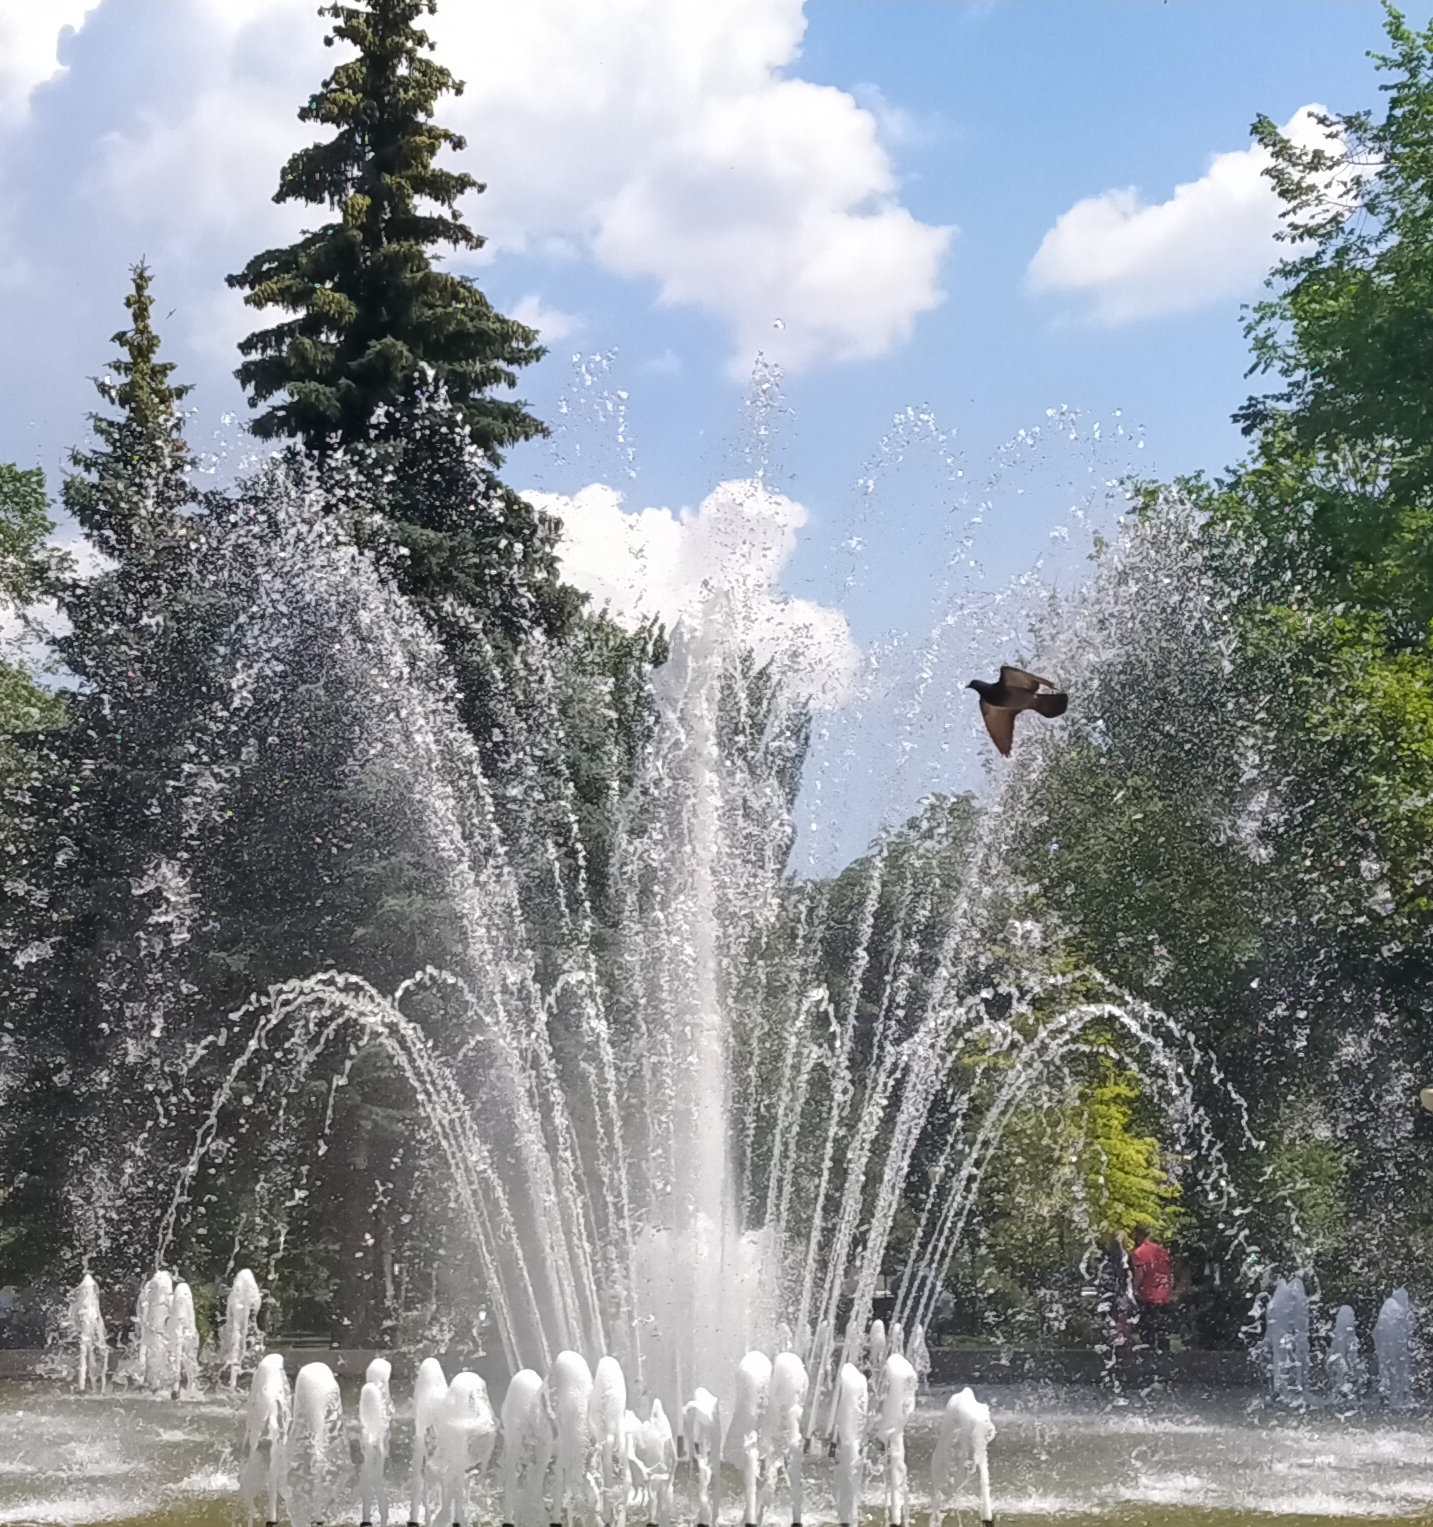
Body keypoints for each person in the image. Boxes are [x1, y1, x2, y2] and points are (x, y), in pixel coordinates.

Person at [1128, 1222, 1174, 1352]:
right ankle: (1164, 1347)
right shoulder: (1161, 1250)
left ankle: (1148, 1348)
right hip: (1163, 1292)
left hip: (1148, 1292)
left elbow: (1139, 1274)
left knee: (1147, 1322)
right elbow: (1169, 1271)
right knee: (1161, 1322)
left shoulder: (1139, 1252)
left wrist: (1133, 1289)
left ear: (1139, 1234)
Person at [1094, 1232, 1132, 1349]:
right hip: (1118, 1295)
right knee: (1119, 1321)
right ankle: (1121, 1346)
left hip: (1109, 1295)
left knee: (1110, 1321)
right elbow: (1125, 1279)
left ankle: (1110, 1344)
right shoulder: (1124, 1260)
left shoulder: (1106, 1261)